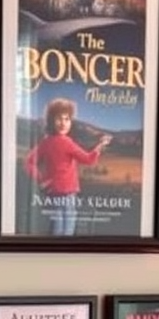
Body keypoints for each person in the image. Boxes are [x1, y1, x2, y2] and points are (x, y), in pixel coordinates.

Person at [24, 97, 112, 237]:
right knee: (67, 228)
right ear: (52, 121)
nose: (63, 123)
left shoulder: (45, 142)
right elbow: (88, 160)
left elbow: (28, 163)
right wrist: (100, 146)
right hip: (68, 192)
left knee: (57, 225)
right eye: (59, 119)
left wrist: (41, 179)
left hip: (52, 192)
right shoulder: (67, 142)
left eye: (67, 119)